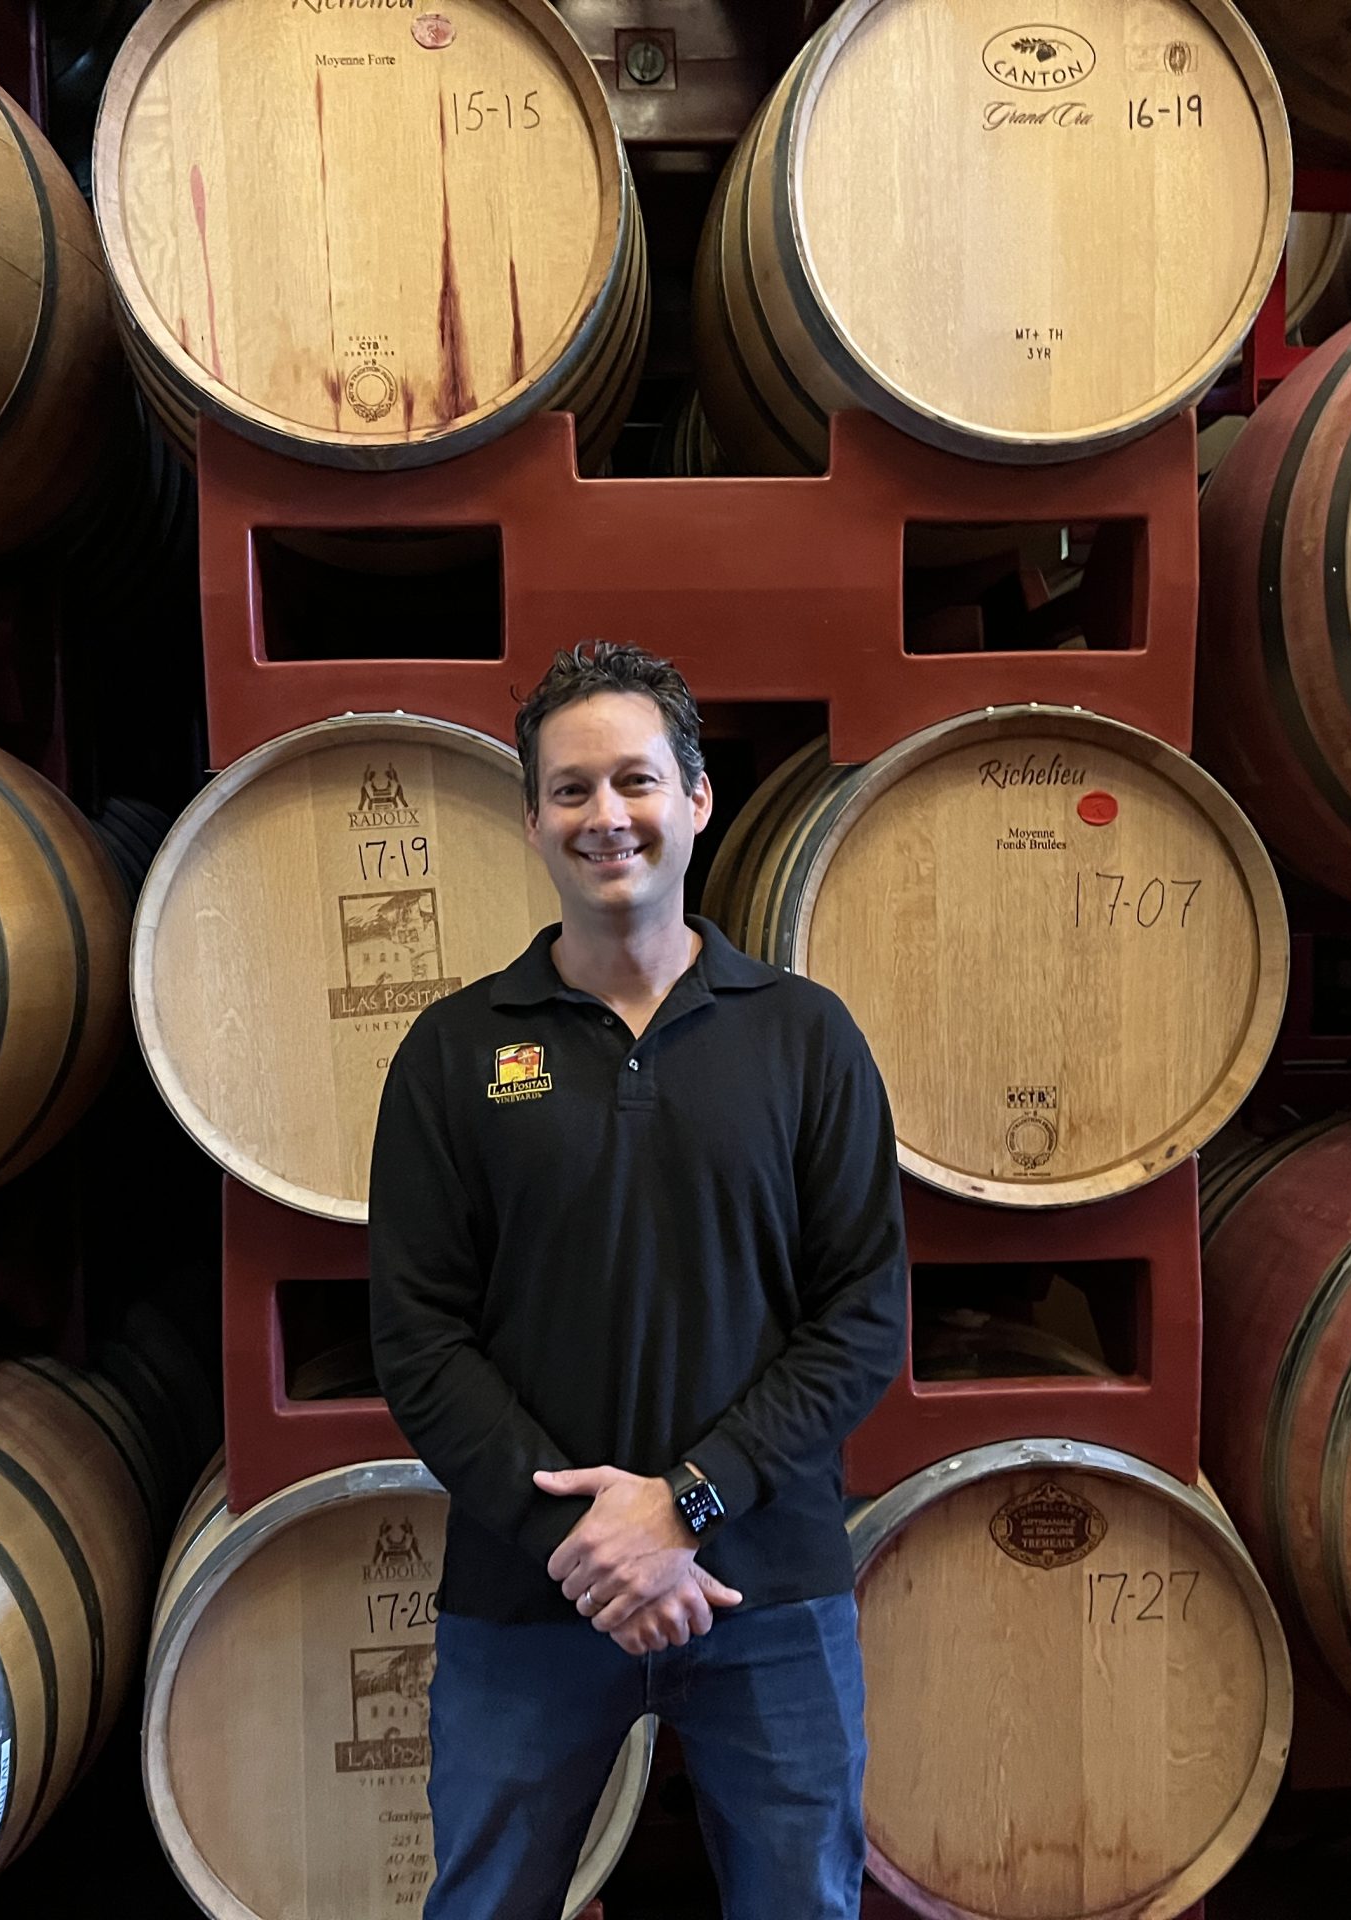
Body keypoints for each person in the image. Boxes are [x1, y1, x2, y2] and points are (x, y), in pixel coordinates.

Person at [369, 641, 908, 1920]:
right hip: (529, 1591)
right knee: (486, 1901)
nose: (606, 816)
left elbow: (861, 1321)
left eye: (636, 781)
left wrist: (686, 1506)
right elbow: (418, 1337)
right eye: (570, 790)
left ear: (697, 797)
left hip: (767, 1585)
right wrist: (585, 1540)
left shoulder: (803, 1036)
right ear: (532, 818)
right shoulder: (453, 1053)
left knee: (799, 1904)